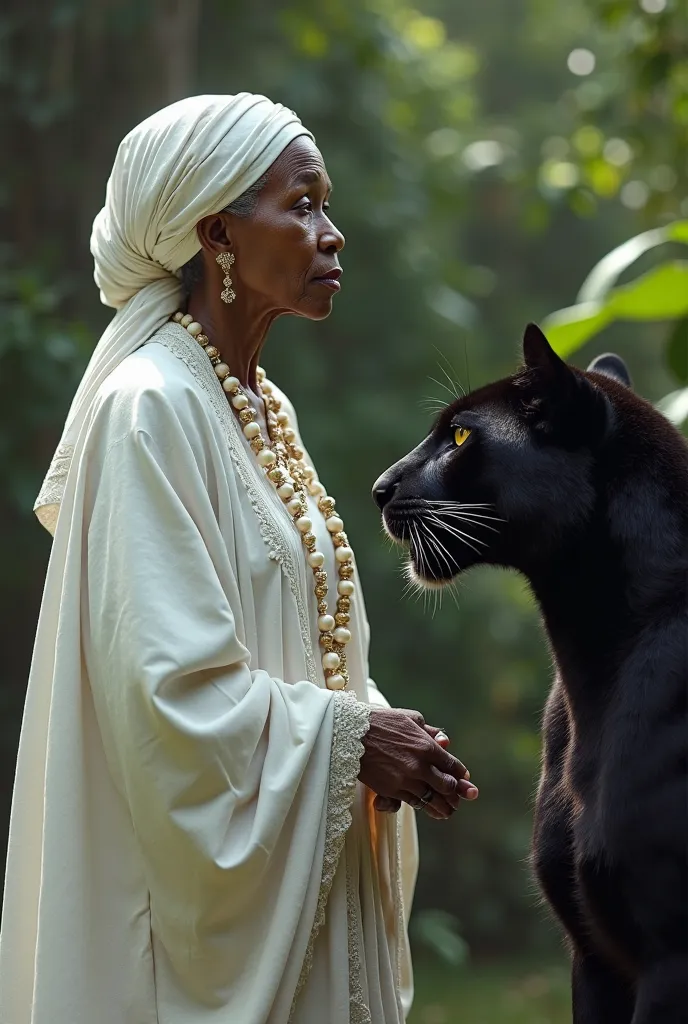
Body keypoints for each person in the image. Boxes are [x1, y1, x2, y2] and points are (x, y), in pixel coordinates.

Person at [0, 93, 477, 1024]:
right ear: (216, 233)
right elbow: (168, 697)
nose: (332, 234)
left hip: (310, 878)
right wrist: (353, 743)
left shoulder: (264, 409)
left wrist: (385, 730)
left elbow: (305, 645)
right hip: (198, 943)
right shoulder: (150, 408)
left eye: (325, 204)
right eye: (301, 204)